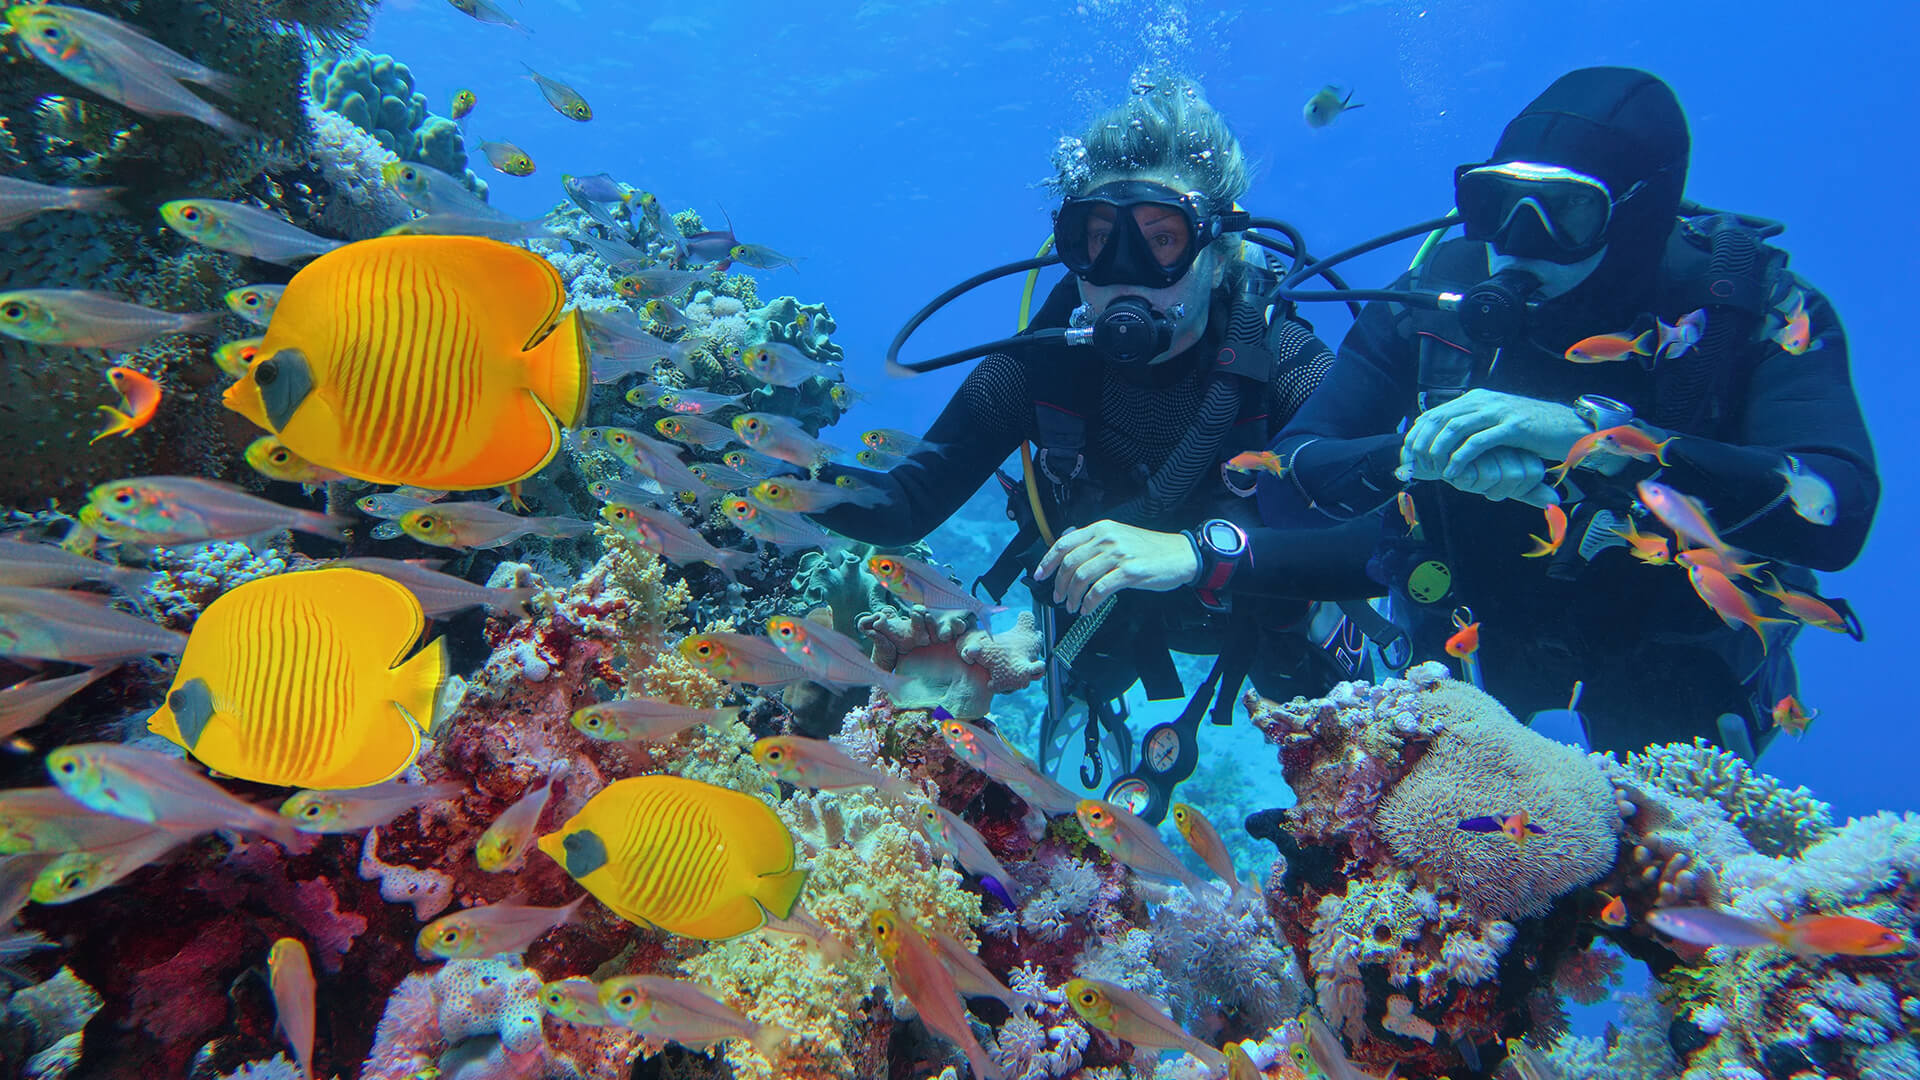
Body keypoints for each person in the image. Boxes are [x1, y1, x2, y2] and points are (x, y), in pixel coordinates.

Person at [1259, 67, 1878, 758]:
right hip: (1470, 630)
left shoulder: (1748, 311)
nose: (1518, 240)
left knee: (1661, 808)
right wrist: (1418, 453)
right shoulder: (1437, 299)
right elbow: (1282, 481)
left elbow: (1840, 510)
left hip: (1671, 646)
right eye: (1495, 203)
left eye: (1570, 211)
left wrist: (1604, 441)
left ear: (1639, 212)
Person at [814, 81, 1381, 818]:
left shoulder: (1285, 363)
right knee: (1084, 675)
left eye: (1161, 240)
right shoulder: (1039, 364)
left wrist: (1199, 554)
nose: (1122, 272)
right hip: (1106, 614)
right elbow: (905, 502)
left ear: (1218, 250)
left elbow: (1387, 535)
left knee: (1329, 723)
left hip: (1259, 602)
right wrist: (770, 470)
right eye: (1097, 239)